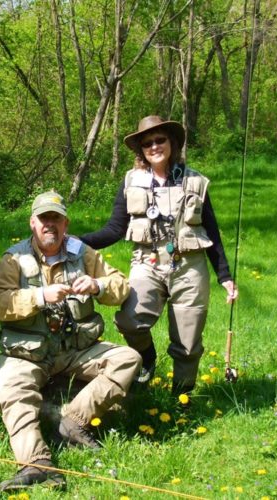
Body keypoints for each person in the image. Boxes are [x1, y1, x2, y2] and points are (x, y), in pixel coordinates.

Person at [0, 191, 140, 492]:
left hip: (76, 350)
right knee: (12, 390)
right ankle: (37, 464)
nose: (50, 225)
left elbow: (120, 285)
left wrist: (97, 285)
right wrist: (39, 296)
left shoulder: (82, 253)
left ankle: (72, 420)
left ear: (65, 223)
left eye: (55, 219)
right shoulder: (13, 258)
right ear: (33, 223)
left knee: (128, 359)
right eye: (44, 219)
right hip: (27, 354)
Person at [80, 115, 238, 396]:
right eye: (147, 143)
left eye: (160, 140)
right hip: (147, 263)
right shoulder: (131, 181)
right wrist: (78, 241)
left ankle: (181, 398)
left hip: (190, 267)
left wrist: (224, 275)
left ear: (172, 143)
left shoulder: (195, 181)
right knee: (129, 320)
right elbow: (115, 229)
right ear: (141, 150)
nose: (154, 146)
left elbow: (210, 230)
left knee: (188, 343)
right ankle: (147, 359)